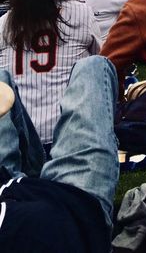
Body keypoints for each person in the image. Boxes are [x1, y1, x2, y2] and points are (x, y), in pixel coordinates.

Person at [0, 55, 119, 252]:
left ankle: (37, 170)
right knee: (94, 66)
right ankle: (40, 170)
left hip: (11, 186)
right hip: (74, 209)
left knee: (2, 77)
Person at [0, 0, 101, 146]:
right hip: (72, 131)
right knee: (101, 65)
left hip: (19, 137)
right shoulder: (80, 12)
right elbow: (101, 60)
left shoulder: (3, 24)